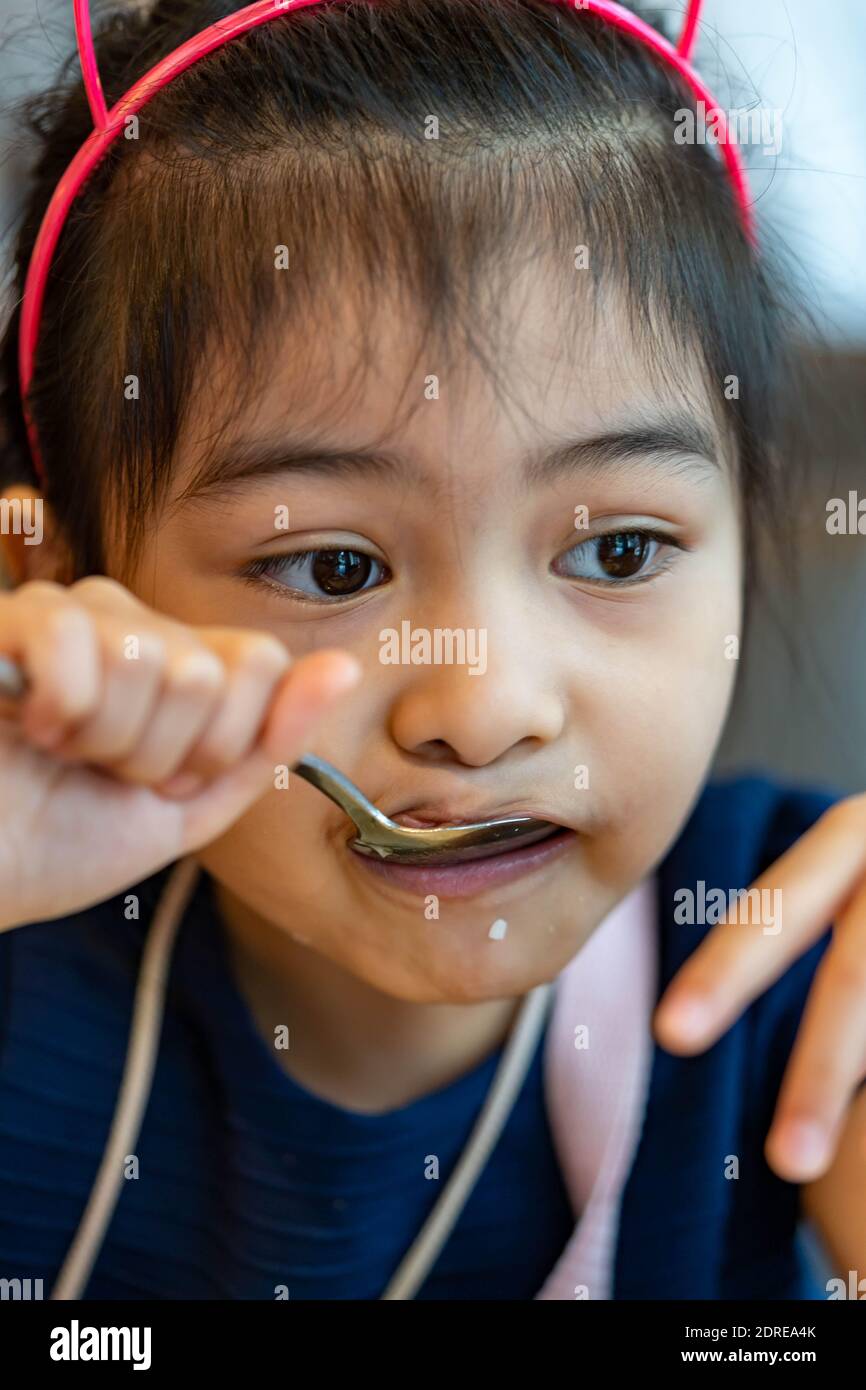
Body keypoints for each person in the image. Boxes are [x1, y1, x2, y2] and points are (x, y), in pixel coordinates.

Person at [0, 0, 863, 1300]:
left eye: (617, 552)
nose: (484, 708)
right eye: (333, 567)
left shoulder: (798, 968)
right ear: (60, 576)